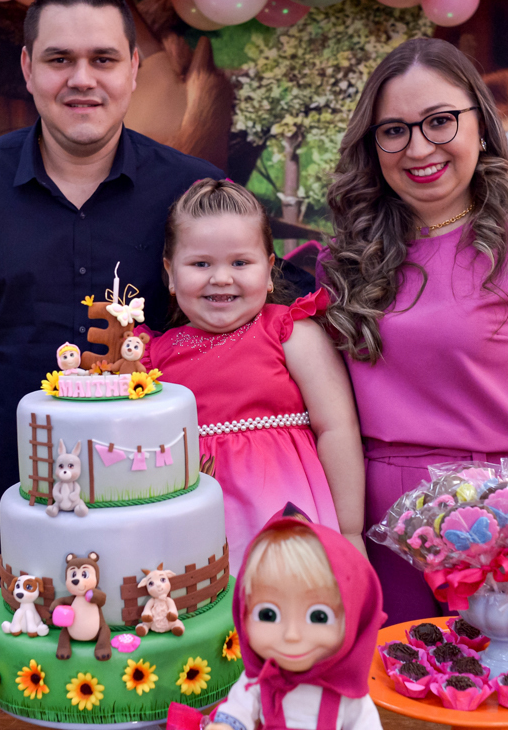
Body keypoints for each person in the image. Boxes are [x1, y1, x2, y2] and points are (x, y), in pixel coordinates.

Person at [0, 0, 225, 627]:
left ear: (133, 70)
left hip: (158, 540)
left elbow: (244, 340)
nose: (81, 79)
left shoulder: (194, 193)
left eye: (103, 59)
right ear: (28, 68)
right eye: (60, 58)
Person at [318, 37, 508, 650]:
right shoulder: (343, 263)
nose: (418, 148)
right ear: (373, 147)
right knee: (395, 692)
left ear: (482, 125)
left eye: (440, 121)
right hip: (379, 528)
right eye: (394, 130)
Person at [143, 179, 366, 570]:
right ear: (171, 273)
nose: (221, 278)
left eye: (240, 263)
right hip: (193, 536)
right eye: (200, 264)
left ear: (269, 268)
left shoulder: (290, 333)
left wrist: (350, 532)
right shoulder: (152, 360)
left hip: (285, 521)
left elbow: (337, 428)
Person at [204, 507, 385, 730]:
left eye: (319, 617)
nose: (292, 635)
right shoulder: (260, 682)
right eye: (268, 615)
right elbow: (237, 710)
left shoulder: (349, 696)